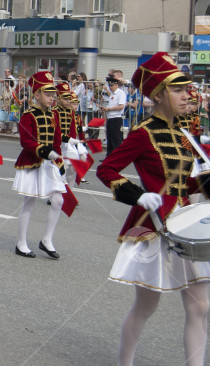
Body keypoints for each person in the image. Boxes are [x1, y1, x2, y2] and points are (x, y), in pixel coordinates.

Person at [96, 53, 210, 366]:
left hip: (188, 226)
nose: (187, 94)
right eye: (178, 89)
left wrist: (204, 184)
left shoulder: (187, 132)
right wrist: (138, 196)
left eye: (187, 89)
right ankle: (126, 363)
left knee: (200, 307)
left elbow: (184, 187)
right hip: (156, 228)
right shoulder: (143, 133)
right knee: (146, 307)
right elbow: (106, 169)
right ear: (158, 95)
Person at [12, 71, 67, 259]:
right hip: (32, 162)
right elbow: (26, 142)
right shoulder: (28, 115)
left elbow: (57, 140)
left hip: (50, 162)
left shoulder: (55, 115)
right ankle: (21, 243)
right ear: (36, 94)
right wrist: (44, 151)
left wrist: (59, 161)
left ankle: (47, 240)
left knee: (58, 200)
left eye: (53, 95)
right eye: (48, 94)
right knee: (30, 202)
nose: (52, 98)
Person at [104, 76, 127, 156]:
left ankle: (116, 156)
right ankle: (109, 155)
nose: (110, 87)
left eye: (112, 85)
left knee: (115, 138)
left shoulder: (120, 93)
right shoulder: (112, 94)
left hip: (116, 118)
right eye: (109, 86)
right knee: (109, 138)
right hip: (110, 117)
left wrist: (109, 109)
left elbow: (121, 106)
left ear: (116, 85)